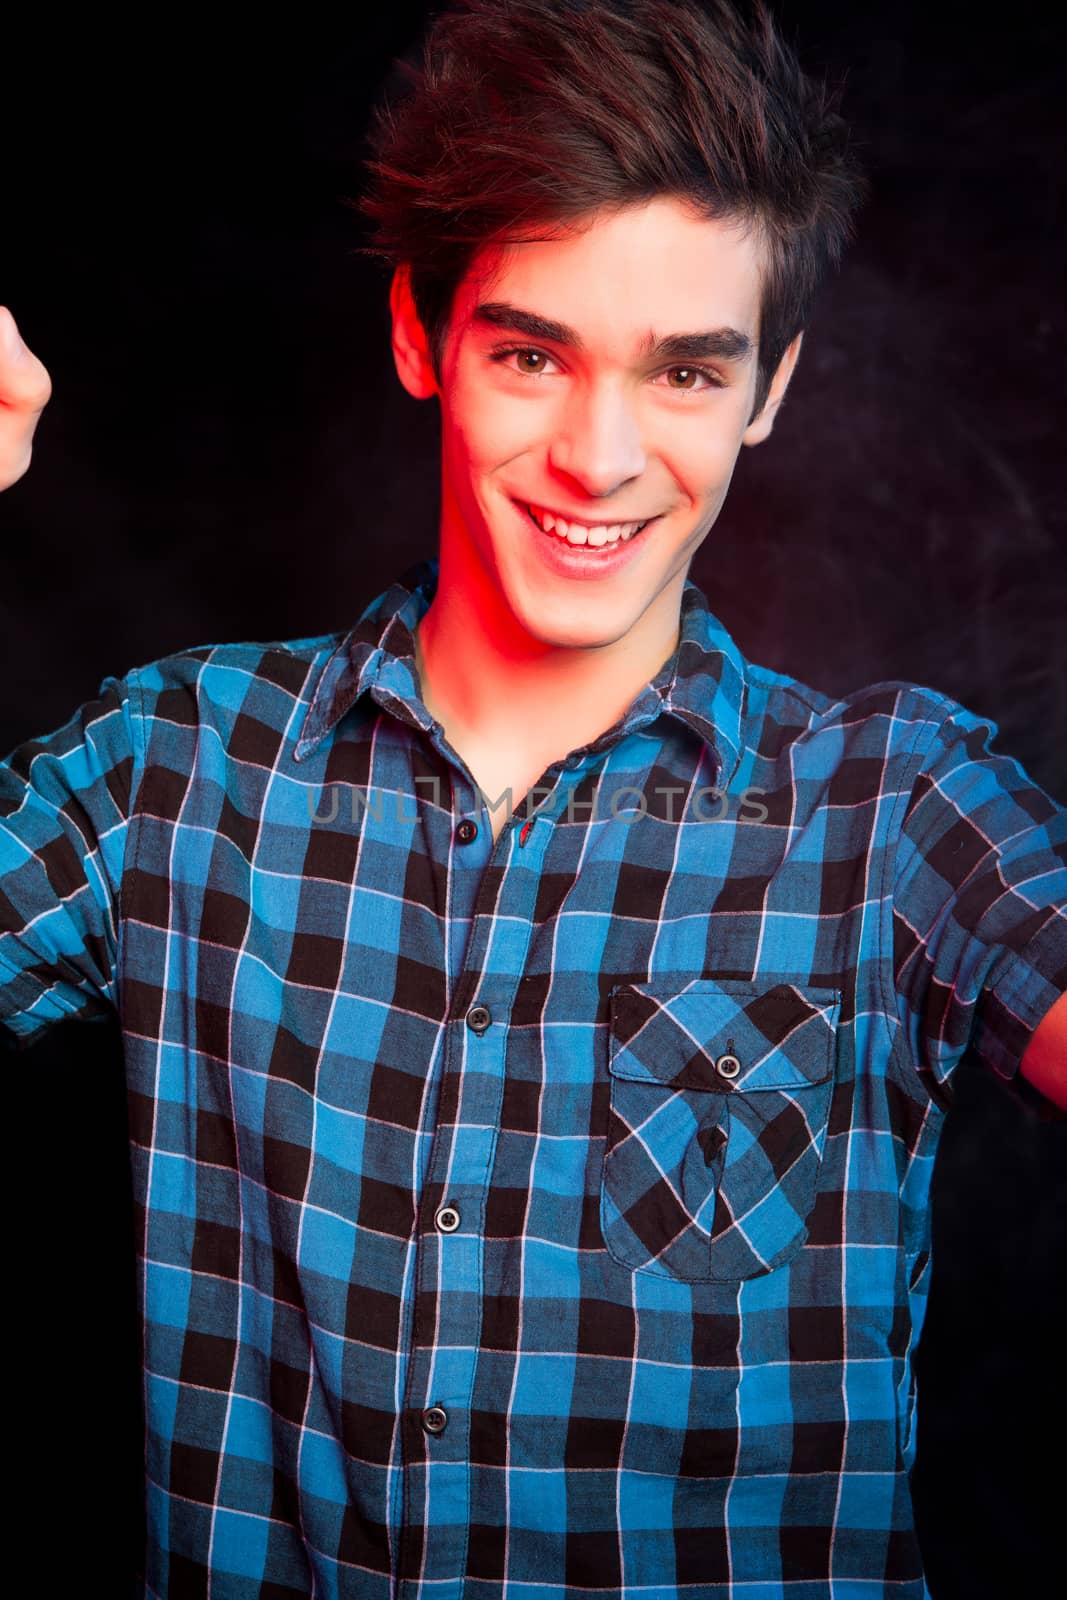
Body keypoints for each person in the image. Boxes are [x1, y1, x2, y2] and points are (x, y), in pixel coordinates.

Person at [1, 1, 1064, 1594]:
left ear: (769, 387)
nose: (600, 454)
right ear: (422, 338)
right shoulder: (173, 766)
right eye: (531, 353)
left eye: (686, 371)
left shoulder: (900, 809)